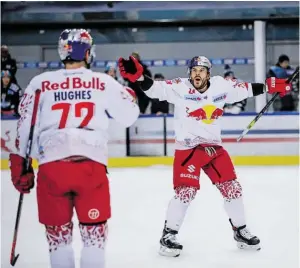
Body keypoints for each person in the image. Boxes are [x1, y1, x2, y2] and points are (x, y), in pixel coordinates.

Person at [118, 55, 291, 257]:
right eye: (194, 70)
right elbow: (155, 89)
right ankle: (168, 234)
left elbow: (246, 89)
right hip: (188, 148)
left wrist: (270, 86)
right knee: (186, 192)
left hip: (214, 149)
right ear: (189, 73)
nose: (197, 74)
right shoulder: (179, 87)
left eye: (201, 70)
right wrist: (140, 77)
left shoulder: (221, 86)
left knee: (233, 189)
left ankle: (241, 231)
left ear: (209, 73)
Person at [9, 29, 139, 268]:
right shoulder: (102, 81)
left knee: (58, 239)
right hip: (90, 168)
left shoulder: (40, 83)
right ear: (87, 53)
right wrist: (131, 93)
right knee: (94, 239)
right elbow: (129, 116)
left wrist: (20, 163)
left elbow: (25, 128)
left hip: (52, 169)